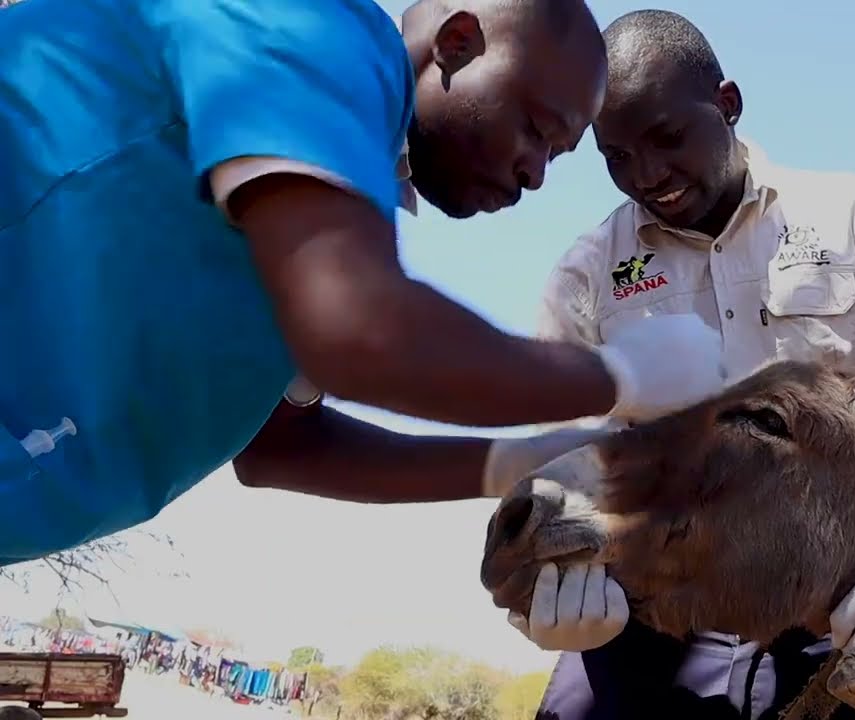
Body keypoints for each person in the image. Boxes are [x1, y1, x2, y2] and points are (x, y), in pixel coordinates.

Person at [0, 0, 728, 568]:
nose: (536, 172)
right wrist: (620, 376)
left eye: (559, 156)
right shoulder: (312, 31)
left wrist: (523, 462)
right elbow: (357, 329)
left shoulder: (315, 202)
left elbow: (281, 447)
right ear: (459, 42)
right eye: (538, 129)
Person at [492, 9, 855, 718]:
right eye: (616, 156)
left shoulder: (852, 215)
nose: (647, 175)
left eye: (667, 138)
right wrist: (543, 589)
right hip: (660, 611)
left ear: (728, 104)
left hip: (839, 606)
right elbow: (559, 457)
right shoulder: (589, 272)